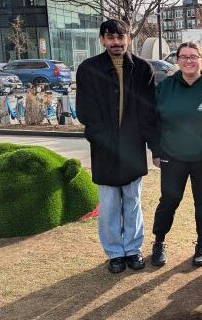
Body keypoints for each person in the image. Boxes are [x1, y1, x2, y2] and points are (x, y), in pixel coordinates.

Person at [76, 19, 159, 274]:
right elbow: (85, 112)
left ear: (129, 39)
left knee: (132, 201)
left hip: (133, 148)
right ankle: (114, 253)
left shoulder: (143, 69)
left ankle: (133, 249)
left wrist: (155, 148)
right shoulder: (89, 69)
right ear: (102, 40)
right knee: (110, 203)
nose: (116, 43)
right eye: (110, 38)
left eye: (121, 37)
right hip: (104, 148)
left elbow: (149, 112)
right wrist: (101, 138)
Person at [150, 41, 202, 267]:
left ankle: (201, 243)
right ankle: (159, 242)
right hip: (172, 155)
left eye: (193, 57)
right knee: (170, 199)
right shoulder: (165, 87)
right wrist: (156, 151)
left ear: (201, 60)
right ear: (178, 60)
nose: (189, 61)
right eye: (184, 57)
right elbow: (153, 121)